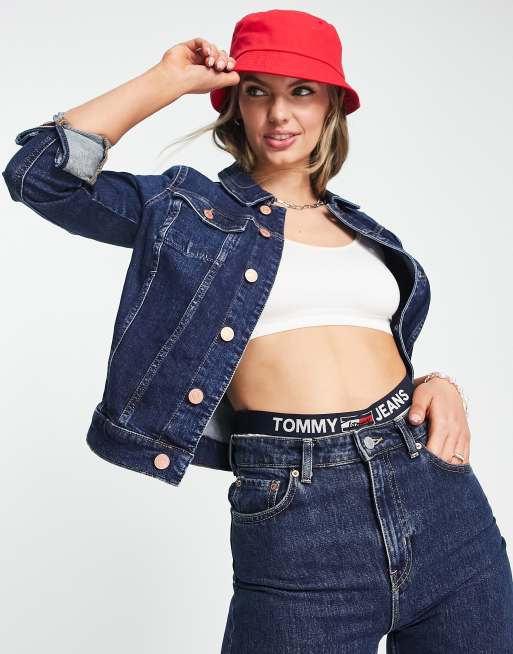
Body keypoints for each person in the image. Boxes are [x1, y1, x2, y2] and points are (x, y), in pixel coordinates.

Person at [3, 8, 513, 654]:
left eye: (301, 91)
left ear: (331, 105)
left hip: (439, 501)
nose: (278, 114)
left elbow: (363, 347)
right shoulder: (188, 210)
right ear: (234, 105)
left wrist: (439, 383)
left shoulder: (364, 230)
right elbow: (39, 175)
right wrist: (165, 80)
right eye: (257, 92)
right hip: (297, 513)